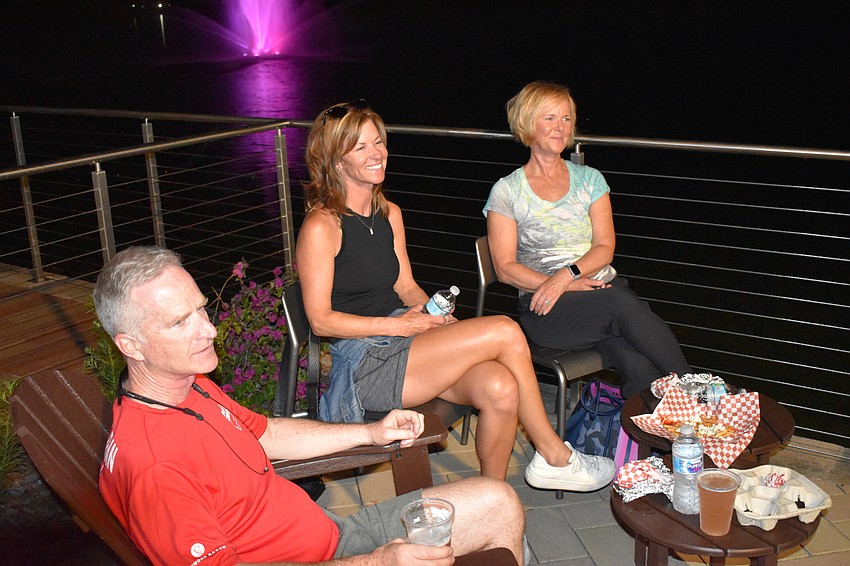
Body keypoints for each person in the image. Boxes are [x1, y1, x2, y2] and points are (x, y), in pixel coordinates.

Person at [94, 245, 525, 565]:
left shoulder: (188, 387)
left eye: (202, 310)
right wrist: (376, 562)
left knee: (498, 501)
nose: (208, 330)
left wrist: (370, 433)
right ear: (130, 345)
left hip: (332, 537)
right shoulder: (156, 466)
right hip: (340, 558)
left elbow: (267, 433)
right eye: (179, 322)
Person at [295, 99, 615, 492]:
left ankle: (489, 503)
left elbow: (405, 286)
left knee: (500, 386)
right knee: (504, 330)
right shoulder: (322, 226)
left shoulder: (389, 213)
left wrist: (433, 314)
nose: (376, 153)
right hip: (365, 363)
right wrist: (400, 325)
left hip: (407, 343)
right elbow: (321, 320)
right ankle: (553, 454)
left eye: (378, 142)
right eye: (360, 147)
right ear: (335, 160)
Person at [484, 81, 691, 399]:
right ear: (528, 123)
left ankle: (656, 440)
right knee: (624, 306)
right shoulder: (507, 191)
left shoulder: (590, 179)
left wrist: (568, 275)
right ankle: (699, 392)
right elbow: (505, 269)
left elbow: (605, 247)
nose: (560, 128)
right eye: (549, 118)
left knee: (637, 365)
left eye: (566, 119)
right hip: (549, 309)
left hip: (600, 294)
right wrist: (558, 284)